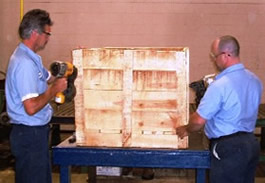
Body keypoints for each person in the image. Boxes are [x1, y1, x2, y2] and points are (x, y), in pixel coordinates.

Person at [176, 35, 263, 183]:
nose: (214, 60)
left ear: (225, 55)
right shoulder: (255, 80)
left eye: (214, 56)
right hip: (251, 144)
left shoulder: (220, 85)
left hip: (228, 148)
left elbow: (198, 120)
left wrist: (186, 129)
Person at [5, 9, 67, 183]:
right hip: (29, 135)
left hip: (35, 134)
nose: (48, 38)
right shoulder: (24, 63)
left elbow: (48, 77)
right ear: (35, 33)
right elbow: (31, 107)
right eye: (47, 33)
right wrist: (53, 90)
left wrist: (67, 69)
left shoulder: (32, 58)